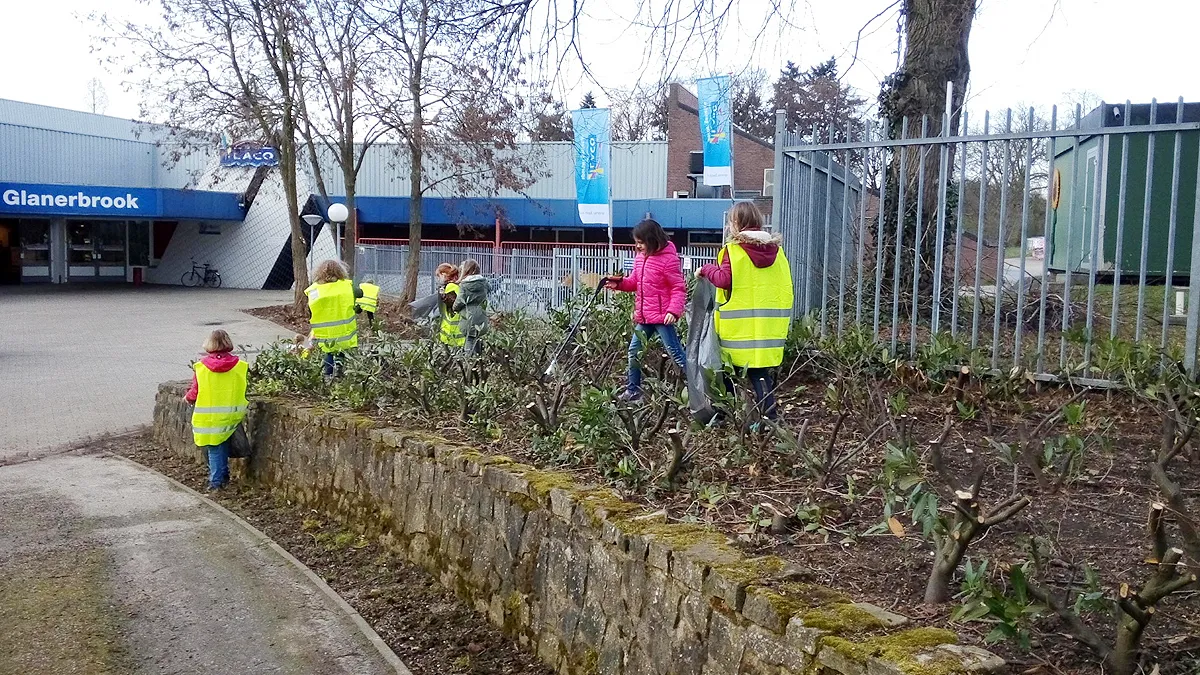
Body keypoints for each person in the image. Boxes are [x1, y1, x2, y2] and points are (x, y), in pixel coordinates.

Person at [696, 201, 793, 421]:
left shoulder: (733, 251)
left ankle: (728, 414)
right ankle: (770, 417)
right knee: (759, 373)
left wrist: (707, 269)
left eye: (731, 222)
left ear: (738, 224)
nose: (730, 227)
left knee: (727, 372)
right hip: (768, 328)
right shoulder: (778, 253)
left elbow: (724, 279)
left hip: (738, 331)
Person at [604, 218, 687, 402]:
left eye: (640, 242)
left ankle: (699, 390)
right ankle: (633, 391)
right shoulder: (640, 259)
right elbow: (634, 282)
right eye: (636, 242)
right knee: (634, 351)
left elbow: (678, 288)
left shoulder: (668, 260)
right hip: (645, 317)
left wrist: (673, 312)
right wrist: (618, 284)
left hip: (663, 317)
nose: (637, 246)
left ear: (652, 240)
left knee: (676, 354)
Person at [185, 329, 248, 491]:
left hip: (208, 417)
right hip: (231, 415)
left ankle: (216, 482)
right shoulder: (240, 366)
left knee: (214, 448)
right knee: (221, 444)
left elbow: (195, 391)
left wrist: (187, 398)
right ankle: (223, 475)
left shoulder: (201, 367)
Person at [305, 259, 361, 377]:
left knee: (328, 351)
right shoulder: (347, 287)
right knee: (340, 350)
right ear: (340, 271)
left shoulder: (314, 290)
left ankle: (328, 374)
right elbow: (360, 293)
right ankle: (339, 371)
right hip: (343, 329)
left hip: (324, 330)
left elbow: (310, 310)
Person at [452, 259, 489, 358]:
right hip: (481, 314)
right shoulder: (484, 283)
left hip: (468, 315)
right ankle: (478, 358)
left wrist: (454, 308)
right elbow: (490, 289)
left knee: (469, 338)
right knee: (477, 336)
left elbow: (460, 301)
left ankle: (468, 360)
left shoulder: (464, 285)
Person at [436, 262, 464, 347]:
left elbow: (449, 302)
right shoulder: (455, 286)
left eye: (438, 276)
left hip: (453, 333)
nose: (437, 279)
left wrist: (441, 287)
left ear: (443, 275)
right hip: (453, 332)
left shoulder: (451, 287)